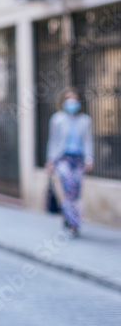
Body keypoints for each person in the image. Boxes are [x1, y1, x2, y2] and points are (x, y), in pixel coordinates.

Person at [45, 88, 94, 237]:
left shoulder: (85, 120)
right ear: (63, 101)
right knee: (69, 188)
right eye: (68, 99)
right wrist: (51, 159)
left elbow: (87, 141)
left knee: (77, 192)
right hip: (63, 158)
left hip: (78, 159)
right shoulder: (57, 119)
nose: (71, 102)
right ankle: (74, 223)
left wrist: (89, 158)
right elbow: (52, 141)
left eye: (74, 99)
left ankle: (69, 219)